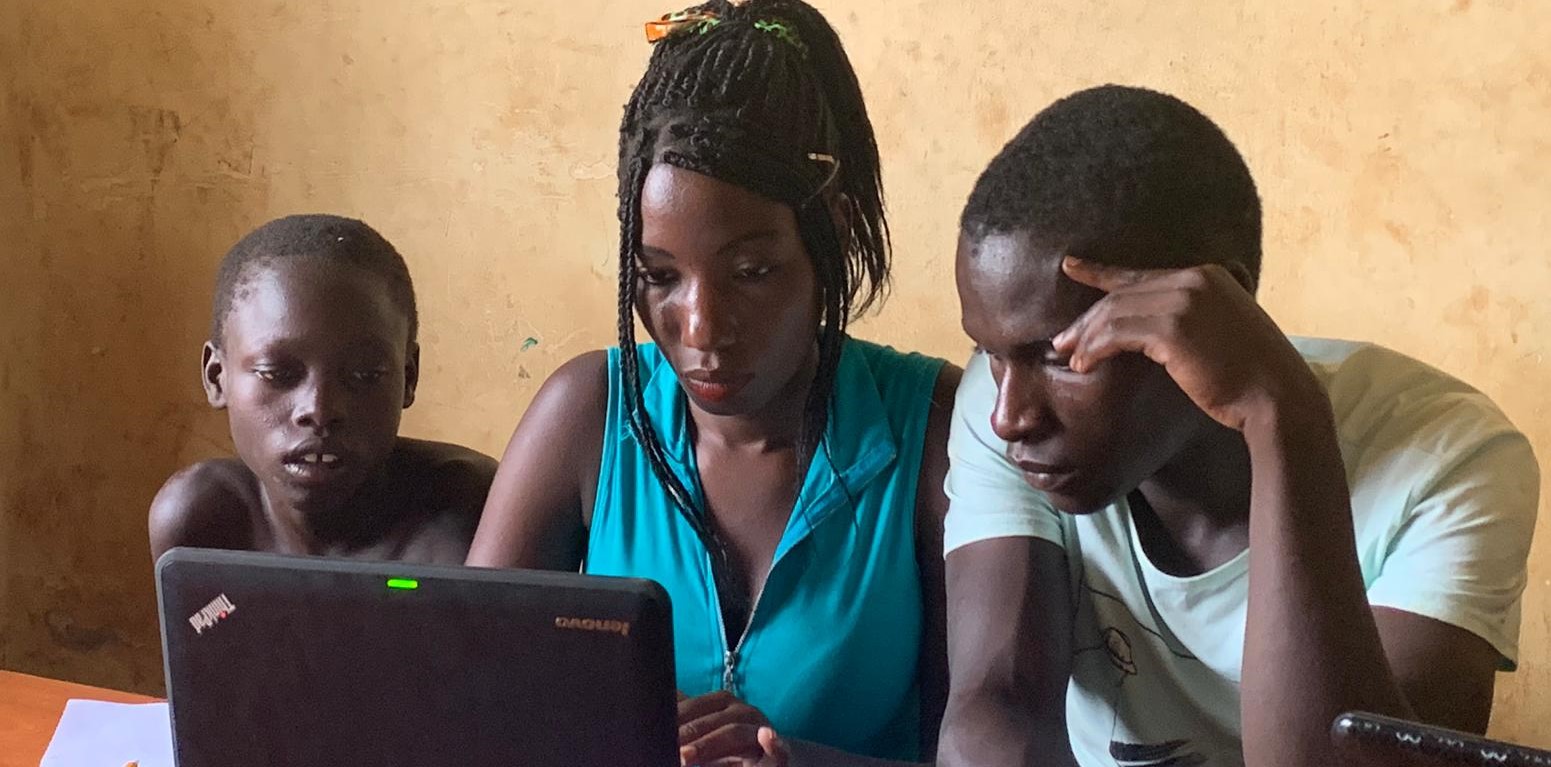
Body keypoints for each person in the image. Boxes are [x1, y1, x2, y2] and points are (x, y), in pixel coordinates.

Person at [938, 85, 1539, 767]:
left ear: (1221, 305)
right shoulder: (1007, 414)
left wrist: (1281, 414)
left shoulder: (1447, 458)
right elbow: (993, 710)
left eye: (1064, 355)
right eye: (990, 353)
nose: (1009, 414)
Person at [467, 2, 959, 764]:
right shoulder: (587, 414)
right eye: (659, 277)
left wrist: (794, 758)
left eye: (751, 272)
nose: (698, 329)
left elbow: (991, 742)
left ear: (832, 229)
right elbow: (466, 687)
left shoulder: (928, 429)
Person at [149, 214, 497, 565]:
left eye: (363, 375)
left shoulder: (472, 516)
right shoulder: (201, 524)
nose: (320, 409)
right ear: (216, 377)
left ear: (409, 378)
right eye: (278, 373)